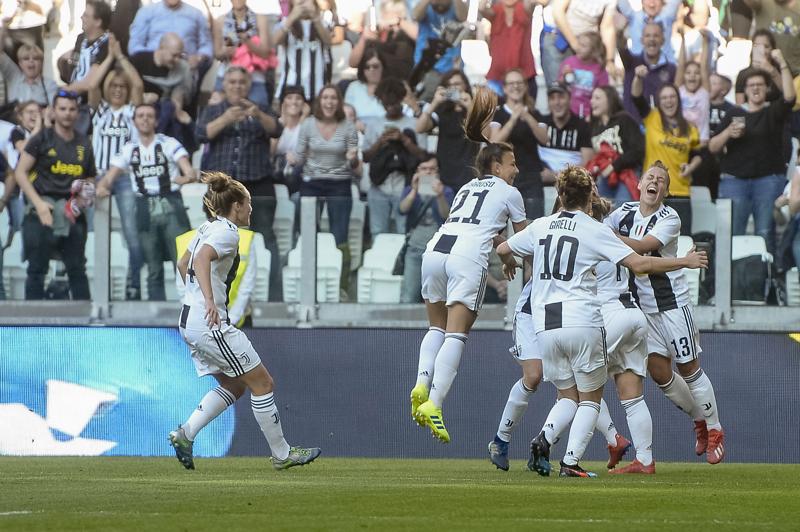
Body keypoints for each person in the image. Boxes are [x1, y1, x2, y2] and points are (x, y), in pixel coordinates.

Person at [497, 164, 708, 476]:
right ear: (589, 196)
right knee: (599, 397)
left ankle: (549, 438)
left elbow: (503, 247)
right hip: (599, 318)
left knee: (570, 394)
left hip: (546, 324)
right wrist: (684, 262)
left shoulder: (541, 226)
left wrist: (508, 265)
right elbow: (640, 264)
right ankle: (575, 460)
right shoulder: (598, 231)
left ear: (559, 194)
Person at [169, 171, 321, 471]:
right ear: (236, 205)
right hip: (209, 322)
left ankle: (186, 434)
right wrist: (209, 301)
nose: (251, 209)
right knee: (262, 382)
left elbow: (182, 263)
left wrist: (196, 296)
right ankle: (282, 454)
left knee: (236, 385)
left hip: (190, 319)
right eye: (248, 203)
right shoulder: (226, 232)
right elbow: (199, 262)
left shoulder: (206, 227)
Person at [409, 87, 528, 444]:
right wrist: (513, 257)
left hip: (437, 249)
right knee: (457, 333)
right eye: (512, 163)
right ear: (496, 166)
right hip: (467, 256)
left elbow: (489, 230)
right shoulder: (510, 193)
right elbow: (520, 238)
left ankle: (420, 382)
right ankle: (435, 403)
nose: (516, 169)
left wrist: (504, 254)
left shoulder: (467, 187)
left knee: (435, 328)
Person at [606, 160, 725, 465]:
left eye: (661, 180)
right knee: (659, 372)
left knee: (689, 368)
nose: (654, 182)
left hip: (672, 304)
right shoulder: (624, 212)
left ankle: (715, 430)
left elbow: (644, 247)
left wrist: (606, 238)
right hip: (642, 308)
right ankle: (699, 418)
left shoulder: (668, 217)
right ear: (639, 183)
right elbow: (599, 223)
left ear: (666, 191)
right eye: (650, 177)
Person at [196, 66, 284, 302]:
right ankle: (213, 295)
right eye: (232, 82)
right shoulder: (214, 110)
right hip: (222, 188)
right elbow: (200, 134)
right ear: (224, 84)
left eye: (241, 82)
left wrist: (257, 115)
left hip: (257, 185)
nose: (236, 86)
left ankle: (276, 298)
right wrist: (226, 119)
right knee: (215, 238)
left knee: (266, 238)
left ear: (248, 86)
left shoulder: (261, 109)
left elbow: (276, 129)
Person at [96, 103, 195, 301]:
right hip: (143, 207)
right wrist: (102, 187)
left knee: (183, 261)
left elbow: (189, 171)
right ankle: (156, 311)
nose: (145, 119)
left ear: (156, 120)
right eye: (140, 115)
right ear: (134, 121)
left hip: (171, 203)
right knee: (152, 264)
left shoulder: (168, 143)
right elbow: (109, 177)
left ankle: (191, 308)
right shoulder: (128, 149)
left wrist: (185, 178)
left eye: (149, 115)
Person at [709, 50, 796, 254]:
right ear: (745, 90)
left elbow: (790, 97)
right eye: (751, 85)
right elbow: (713, 147)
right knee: (733, 234)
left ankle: (766, 281)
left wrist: (781, 64)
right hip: (734, 181)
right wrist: (728, 133)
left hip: (767, 180)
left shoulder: (772, 110)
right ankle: (733, 282)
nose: (755, 88)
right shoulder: (734, 112)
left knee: (765, 233)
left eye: (759, 85)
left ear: (767, 89)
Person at [13, 90, 96, 300]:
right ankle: (31, 325)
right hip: (42, 210)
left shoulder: (84, 143)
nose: (67, 114)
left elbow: (91, 179)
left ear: (78, 112)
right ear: (53, 111)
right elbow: (20, 173)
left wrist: (81, 199)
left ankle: (86, 325)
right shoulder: (41, 138)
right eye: (62, 109)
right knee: (36, 269)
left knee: (77, 269)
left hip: (72, 213)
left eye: (72, 109)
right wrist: (39, 205)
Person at [289, 84, 360, 294]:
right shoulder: (308, 124)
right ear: (319, 102)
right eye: (325, 98)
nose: (329, 102)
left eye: (333, 98)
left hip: (340, 183)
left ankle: (342, 286)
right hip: (312, 182)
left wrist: (353, 158)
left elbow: (355, 166)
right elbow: (299, 156)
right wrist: (292, 160)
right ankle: (308, 283)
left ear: (339, 102)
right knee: (308, 233)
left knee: (340, 236)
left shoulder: (348, 126)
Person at [88, 38, 145, 300]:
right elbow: (91, 85)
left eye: (122, 86)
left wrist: (120, 57)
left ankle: (134, 283)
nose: (119, 90)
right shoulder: (99, 111)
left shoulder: (133, 112)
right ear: (108, 88)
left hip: (124, 178)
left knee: (131, 230)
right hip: (97, 174)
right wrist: (110, 59)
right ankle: (89, 282)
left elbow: (138, 84)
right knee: (88, 230)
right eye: (114, 86)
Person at [175, 189, 258, 328]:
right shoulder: (240, 236)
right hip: (210, 318)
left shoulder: (189, 238)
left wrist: (228, 319)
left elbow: (247, 286)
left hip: (217, 318)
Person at [632, 69, 701, 234]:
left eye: (672, 97)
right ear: (658, 102)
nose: (668, 101)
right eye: (664, 98)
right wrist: (638, 77)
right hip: (653, 190)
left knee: (682, 240)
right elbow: (636, 97)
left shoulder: (690, 127)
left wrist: (691, 167)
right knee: (646, 240)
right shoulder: (652, 118)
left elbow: (698, 155)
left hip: (681, 192)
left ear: (678, 99)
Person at [362, 78, 426, 236]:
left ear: (401, 100)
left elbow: (424, 156)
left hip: (405, 186)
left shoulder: (414, 124)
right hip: (379, 185)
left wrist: (403, 140)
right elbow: (365, 157)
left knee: (404, 231)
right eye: (386, 104)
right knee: (378, 231)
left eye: (394, 103)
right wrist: (380, 142)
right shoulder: (374, 125)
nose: (390, 107)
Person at [398, 154, 454, 303]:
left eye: (432, 169)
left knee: (437, 297)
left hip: (439, 251)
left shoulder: (446, 191)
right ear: (417, 171)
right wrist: (414, 191)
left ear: (438, 172)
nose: (428, 172)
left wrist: (440, 195)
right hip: (415, 248)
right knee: (409, 295)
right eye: (424, 168)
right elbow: (402, 209)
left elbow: (447, 215)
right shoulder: (410, 189)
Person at [490, 69, 545, 218]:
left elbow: (544, 139)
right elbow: (495, 141)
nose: (516, 87)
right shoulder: (498, 113)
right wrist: (513, 119)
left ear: (526, 86)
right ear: (505, 88)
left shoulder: (535, 113)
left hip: (531, 176)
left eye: (519, 83)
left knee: (534, 223)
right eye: (511, 83)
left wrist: (526, 115)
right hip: (505, 177)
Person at [128, 0, 213, 95]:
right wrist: (157, 56)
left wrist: (199, 57)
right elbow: (134, 46)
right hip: (153, 68)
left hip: (185, 68)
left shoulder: (196, 15)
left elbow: (207, 45)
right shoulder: (147, 12)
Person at [415, 69, 477, 192]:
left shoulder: (475, 108)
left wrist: (470, 107)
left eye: (457, 84)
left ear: (465, 85)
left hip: (468, 173)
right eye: (449, 85)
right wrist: (434, 103)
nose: (454, 88)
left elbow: (485, 135)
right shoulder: (442, 110)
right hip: (445, 170)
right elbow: (419, 128)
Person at [588, 85, 645, 204]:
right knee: (601, 212)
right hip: (605, 178)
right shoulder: (594, 127)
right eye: (592, 98)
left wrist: (614, 165)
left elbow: (638, 150)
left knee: (622, 212)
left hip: (628, 175)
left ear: (609, 99)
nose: (592, 101)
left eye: (597, 98)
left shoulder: (624, 119)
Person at [211, 0, 272, 108]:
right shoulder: (220, 20)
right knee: (216, 110)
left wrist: (247, 43)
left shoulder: (260, 19)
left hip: (254, 77)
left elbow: (266, 53)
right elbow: (217, 54)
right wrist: (228, 51)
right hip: (227, 75)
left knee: (260, 113)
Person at [272, 0, 333, 101]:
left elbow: (328, 41)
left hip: (317, 88)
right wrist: (291, 17)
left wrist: (315, 18)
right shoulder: (285, 22)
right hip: (290, 87)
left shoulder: (322, 22)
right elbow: (275, 41)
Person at [620, 21, 677, 123]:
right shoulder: (631, 62)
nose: (652, 39)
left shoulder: (671, 69)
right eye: (648, 36)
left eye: (656, 36)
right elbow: (620, 46)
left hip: (659, 129)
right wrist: (619, 31)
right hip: (632, 127)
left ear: (663, 40)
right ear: (642, 40)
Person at [480, 0, 537, 99]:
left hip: (524, 73)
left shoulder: (525, 8)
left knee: (527, 109)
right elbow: (481, 8)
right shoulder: (495, 11)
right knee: (496, 111)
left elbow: (532, 2)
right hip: (498, 75)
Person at [348, 0, 417, 81]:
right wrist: (363, 39)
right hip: (371, 84)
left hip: (397, 83)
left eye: (387, 14)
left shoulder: (406, 36)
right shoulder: (375, 36)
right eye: (383, 14)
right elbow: (353, 63)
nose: (383, 18)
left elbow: (419, 37)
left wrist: (399, 22)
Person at [412, 0, 468, 99]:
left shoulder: (456, 6)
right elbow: (415, 16)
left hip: (451, 69)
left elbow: (463, 17)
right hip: (426, 67)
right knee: (424, 102)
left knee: (451, 102)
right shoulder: (426, 6)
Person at [0, 31, 59, 108]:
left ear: (41, 63)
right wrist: (4, 27)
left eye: (36, 58)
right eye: (26, 58)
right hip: (13, 119)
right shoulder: (14, 77)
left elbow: (53, 110)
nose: (31, 61)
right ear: (20, 63)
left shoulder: (50, 84)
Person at [557, 30, 608, 118]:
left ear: (594, 50)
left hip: (589, 115)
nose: (578, 48)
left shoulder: (600, 69)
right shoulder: (569, 62)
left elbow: (603, 94)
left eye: (583, 46)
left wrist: (592, 115)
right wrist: (564, 77)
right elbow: (559, 86)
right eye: (579, 44)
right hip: (569, 113)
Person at [675, 27, 712, 144]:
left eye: (696, 73)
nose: (692, 76)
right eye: (688, 73)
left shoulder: (704, 92)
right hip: (682, 140)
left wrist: (705, 41)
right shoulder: (679, 90)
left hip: (701, 140)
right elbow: (681, 65)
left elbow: (704, 66)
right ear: (684, 76)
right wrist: (682, 39)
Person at [617, 0, 683, 61]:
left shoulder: (667, 16)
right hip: (638, 67)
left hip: (665, 68)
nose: (652, 4)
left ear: (662, 2)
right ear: (642, 2)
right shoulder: (634, 17)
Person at [344, 47, 387, 123]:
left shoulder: (392, 87)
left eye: (375, 66)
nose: (371, 70)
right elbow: (347, 117)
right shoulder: (353, 87)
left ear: (383, 67)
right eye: (367, 67)